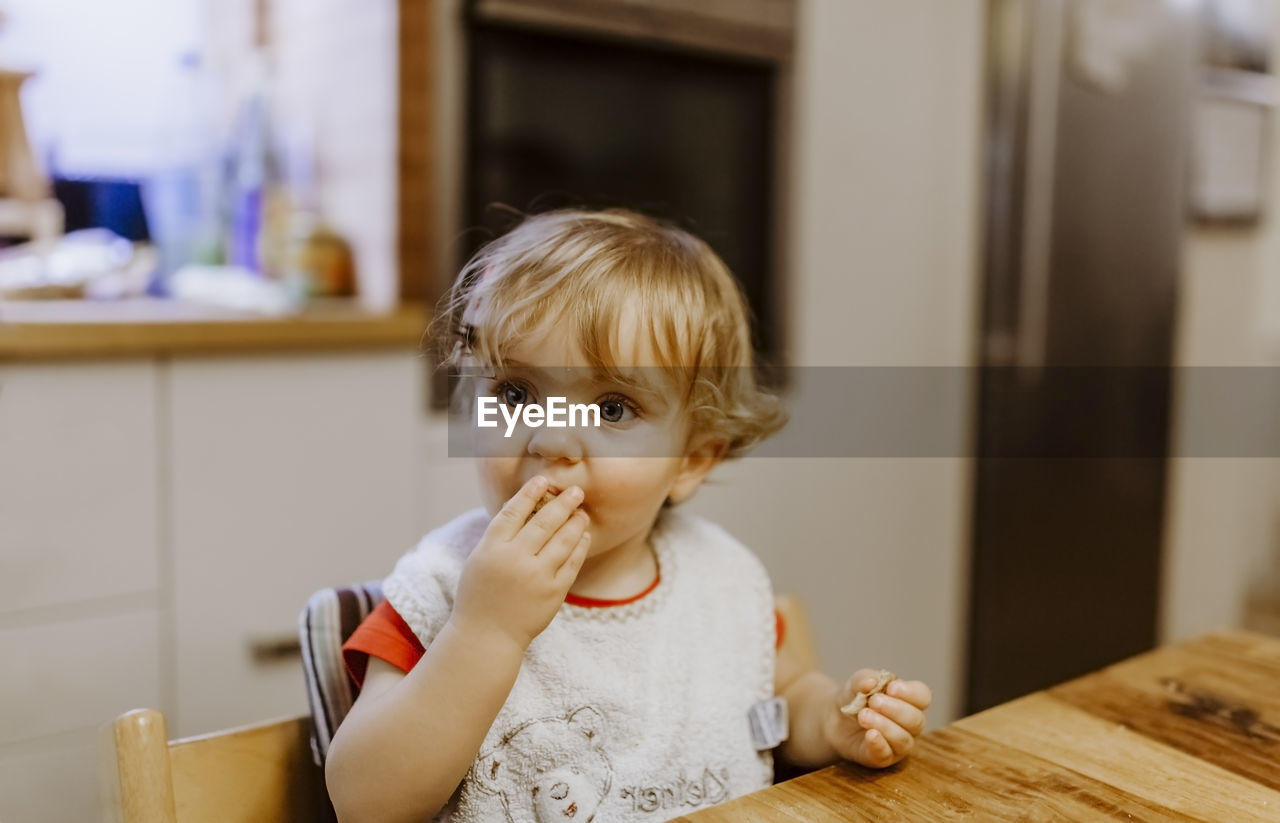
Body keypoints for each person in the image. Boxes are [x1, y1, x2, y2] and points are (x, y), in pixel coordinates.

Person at [324, 209, 932, 823]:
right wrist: (485, 633)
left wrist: (831, 721)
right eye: (515, 393)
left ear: (693, 457)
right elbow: (365, 803)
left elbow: (778, 699)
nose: (551, 438)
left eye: (612, 409)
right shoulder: (441, 589)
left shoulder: (715, 579)